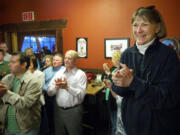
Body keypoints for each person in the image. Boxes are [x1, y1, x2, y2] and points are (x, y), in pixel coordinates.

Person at [112, 6, 180, 135]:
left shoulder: (168, 55)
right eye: (135, 25)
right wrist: (117, 82)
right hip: (131, 126)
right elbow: (122, 92)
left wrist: (133, 82)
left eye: (144, 24)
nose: (138, 30)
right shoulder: (127, 54)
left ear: (157, 28)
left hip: (159, 127)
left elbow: (168, 98)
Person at [0, 52, 42, 135]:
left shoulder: (33, 81)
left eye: (13, 62)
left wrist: (6, 93)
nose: (9, 65)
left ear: (24, 64)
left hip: (26, 128)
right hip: (8, 126)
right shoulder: (8, 78)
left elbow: (25, 103)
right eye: (10, 62)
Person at [47, 50, 87, 135]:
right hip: (58, 110)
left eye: (70, 58)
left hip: (73, 111)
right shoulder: (59, 73)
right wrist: (56, 87)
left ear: (76, 61)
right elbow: (49, 92)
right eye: (65, 58)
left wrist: (67, 87)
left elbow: (81, 95)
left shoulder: (80, 75)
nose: (66, 60)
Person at [42, 53, 64, 135]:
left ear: (61, 62)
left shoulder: (64, 70)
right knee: (49, 115)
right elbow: (41, 83)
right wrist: (46, 89)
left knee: (58, 117)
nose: (54, 61)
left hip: (59, 96)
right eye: (54, 60)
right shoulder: (46, 71)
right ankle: (50, 131)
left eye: (57, 60)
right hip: (47, 96)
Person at [101, 50, 122, 135]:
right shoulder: (114, 68)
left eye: (113, 58)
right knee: (113, 121)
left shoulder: (121, 70)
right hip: (109, 97)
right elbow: (105, 77)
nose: (112, 60)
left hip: (116, 99)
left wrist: (108, 73)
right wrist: (105, 74)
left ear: (117, 59)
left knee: (116, 124)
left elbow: (116, 83)